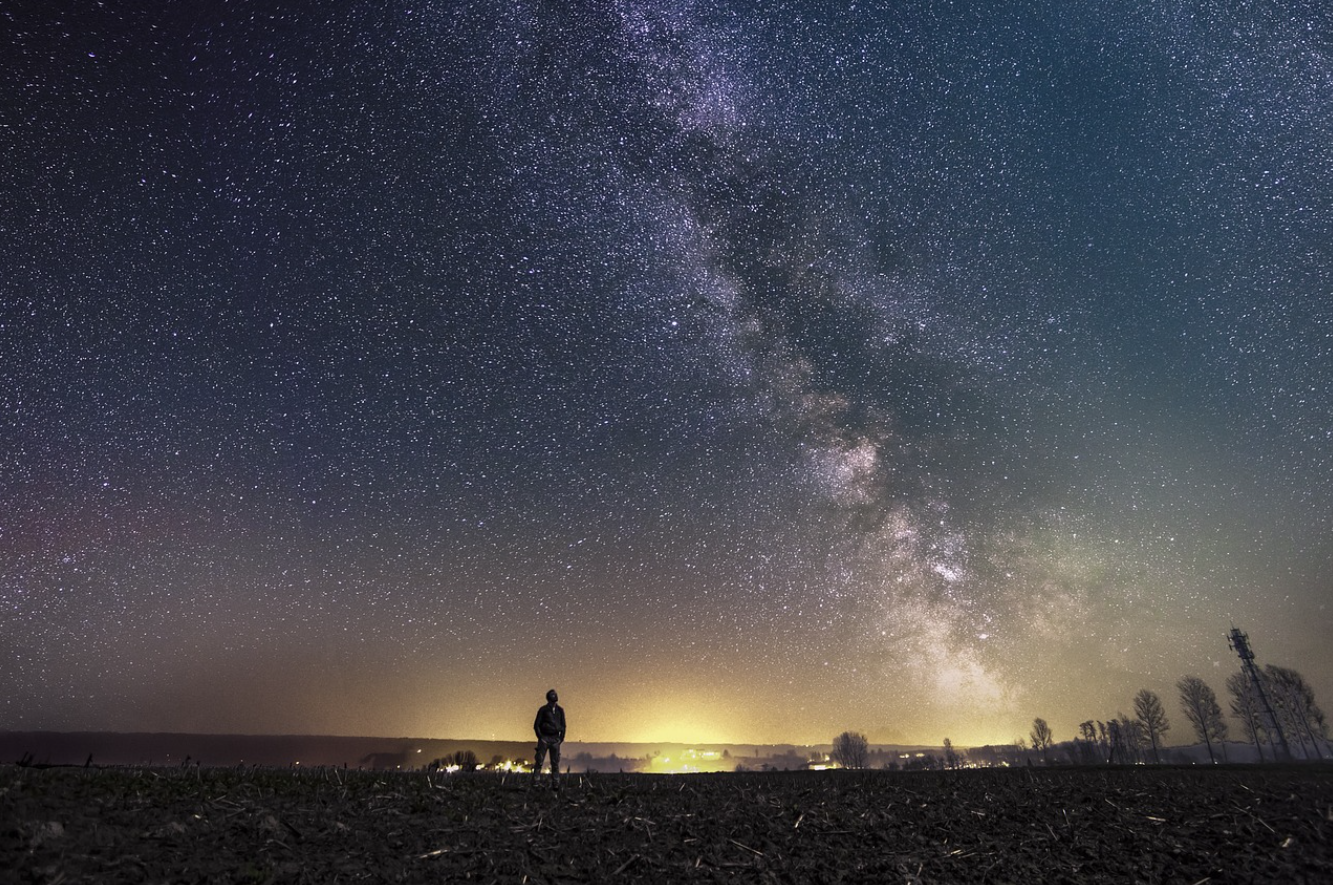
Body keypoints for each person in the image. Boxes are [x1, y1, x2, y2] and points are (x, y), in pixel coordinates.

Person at [533, 688, 566, 789]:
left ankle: (556, 783)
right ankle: (536, 782)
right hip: (545, 738)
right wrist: (541, 737)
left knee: (555, 763)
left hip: (555, 739)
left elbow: (563, 725)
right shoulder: (543, 710)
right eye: (552, 695)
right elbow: (536, 725)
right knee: (539, 761)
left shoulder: (560, 710)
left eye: (555, 695)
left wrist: (561, 738)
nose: (554, 697)